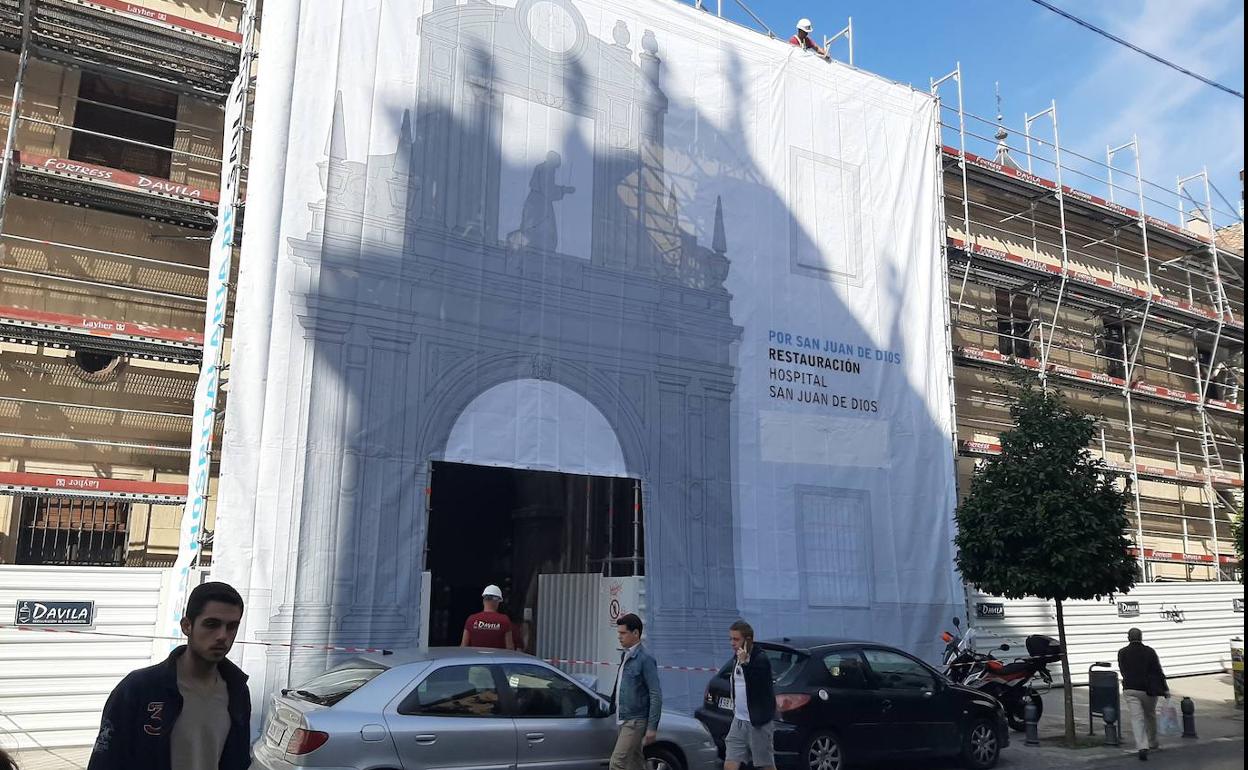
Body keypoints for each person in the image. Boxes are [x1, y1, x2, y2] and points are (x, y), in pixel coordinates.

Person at [87, 581, 250, 770]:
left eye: (231, 627)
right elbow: (105, 761)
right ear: (187, 626)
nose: (222, 635)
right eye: (211, 624)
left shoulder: (237, 691)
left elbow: (239, 761)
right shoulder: (140, 688)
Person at [723, 620, 776, 770]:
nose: (732, 643)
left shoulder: (760, 659)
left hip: (758, 722)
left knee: (765, 765)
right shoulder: (737, 657)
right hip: (739, 720)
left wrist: (746, 663)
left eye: (736, 639)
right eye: (731, 639)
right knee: (730, 764)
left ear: (748, 640)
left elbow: (758, 684)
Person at [610, 613, 661, 770]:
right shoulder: (626, 655)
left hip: (635, 721)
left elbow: (655, 694)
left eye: (623, 633)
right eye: (619, 633)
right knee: (635, 762)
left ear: (636, 633)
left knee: (617, 764)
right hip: (624, 718)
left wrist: (652, 727)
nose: (620, 637)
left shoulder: (645, 659)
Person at [1118, 627, 1169, 761]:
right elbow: (1158, 670)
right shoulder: (1150, 652)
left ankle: (1142, 746)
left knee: (1137, 718)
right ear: (1141, 637)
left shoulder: (1122, 652)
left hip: (1130, 689)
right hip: (1148, 690)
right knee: (1150, 715)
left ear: (1128, 638)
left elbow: (1123, 670)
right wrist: (1165, 689)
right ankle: (1152, 741)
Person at [461, 584, 515, 649]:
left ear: (484, 600)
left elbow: (463, 646)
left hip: (475, 658)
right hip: (497, 659)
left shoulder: (471, 619)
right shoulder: (504, 620)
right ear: (497, 601)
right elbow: (510, 649)